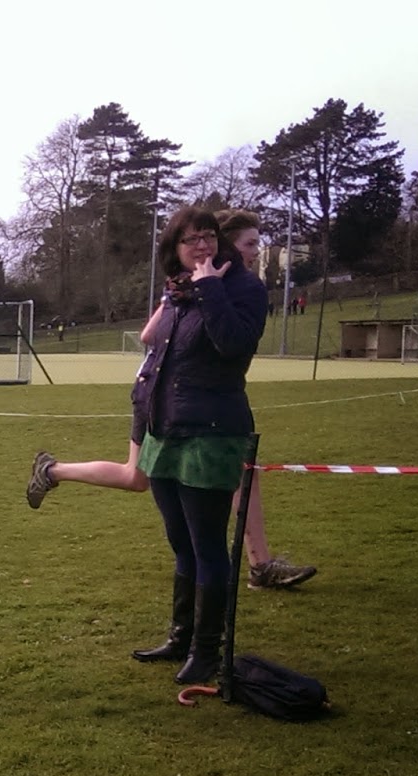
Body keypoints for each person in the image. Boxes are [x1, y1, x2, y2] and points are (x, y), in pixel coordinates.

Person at [26, 210, 316, 592]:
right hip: (158, 396)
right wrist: (196, 303)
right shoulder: (188, 284)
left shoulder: (235, 286)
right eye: (249, 244)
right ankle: (52, 470)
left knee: (237, 476)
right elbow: (149, 335)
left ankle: (260, 563)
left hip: (193, 405)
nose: (253, 252)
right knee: (136, 478)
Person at [133, 205, 266, 684]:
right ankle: (181, 637)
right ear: (175, 248)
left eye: (208, 235)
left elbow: (233, 345)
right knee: (181, 542)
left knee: (207, 544)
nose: (202, 245)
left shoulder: (243, 287)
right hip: (166, 429)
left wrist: (210, 288)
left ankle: (207, 651)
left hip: (212, 432)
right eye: (191, 239)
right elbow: (157, 350)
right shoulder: (178, 291)